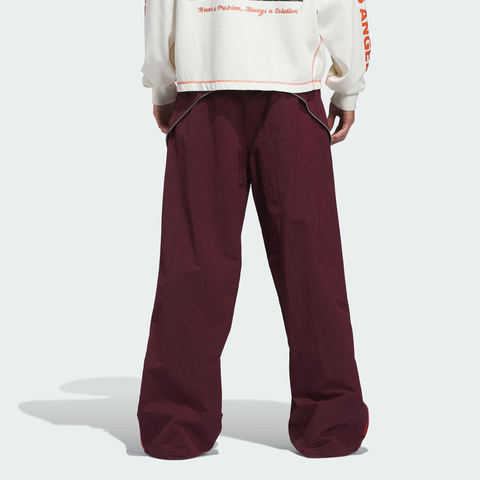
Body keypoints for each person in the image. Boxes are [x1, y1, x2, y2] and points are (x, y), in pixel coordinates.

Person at [137, 0, 371, 460]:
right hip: (292, 89)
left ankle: (176, 423)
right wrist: (348, 87)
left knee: (194, 263)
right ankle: (330, 420)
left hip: (205, 83)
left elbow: (160, 6)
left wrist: (162, 84)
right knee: (311, 262)